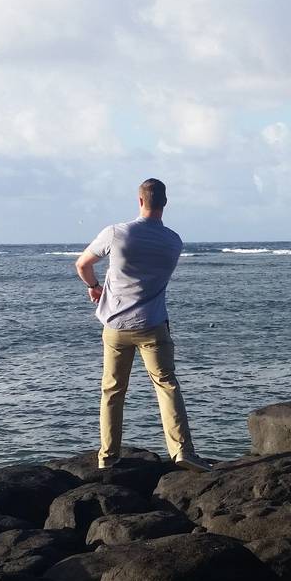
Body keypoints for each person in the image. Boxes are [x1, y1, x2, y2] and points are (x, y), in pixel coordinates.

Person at [75, 178, 210, 472]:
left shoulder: (116, 233)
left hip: (116, 325)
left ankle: (108, 456)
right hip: (153, 325)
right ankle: (182, 451)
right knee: (167, 386)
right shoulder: (173, 241)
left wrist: (95, 286)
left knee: (112, 391)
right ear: (165, 203)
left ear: (139, 201)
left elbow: (82, 265)